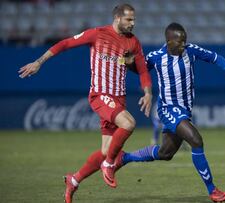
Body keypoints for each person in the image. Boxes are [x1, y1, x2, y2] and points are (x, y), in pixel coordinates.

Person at [18, 3, 152, 203]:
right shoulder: (97, 34)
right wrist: (39, 61)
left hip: (118, 99)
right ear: (117, 18)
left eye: (134, 19)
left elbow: (142, 70)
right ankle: (108, 165)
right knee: (129, 123)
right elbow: (65, 44)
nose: (133, 23)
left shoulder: (133, 43)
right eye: (129, 19)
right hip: (100, 95)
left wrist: (148, 92)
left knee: (107, 149)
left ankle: (74, 179)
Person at [114, 22, 225, 202]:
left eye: (185, 41)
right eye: (180, 42)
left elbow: (214, 57)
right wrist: (126, 62)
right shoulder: (157, 57)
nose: (183, 44)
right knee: (196, 140)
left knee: (165, 153)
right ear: (169, 42)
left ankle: (124, 157)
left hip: (185, 110)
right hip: (167, 108)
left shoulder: (190, 50)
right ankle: (213, 190)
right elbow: (138, 68)